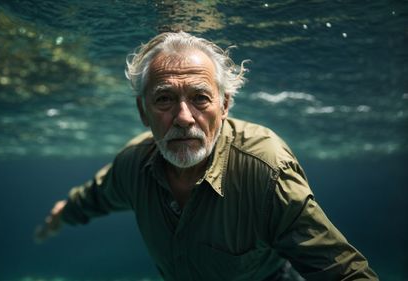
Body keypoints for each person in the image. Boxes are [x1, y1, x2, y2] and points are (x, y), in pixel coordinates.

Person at [35, 31, 379, 281]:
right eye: (164, 99)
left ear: (225, 105)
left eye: (200, 98)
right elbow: (96, 196)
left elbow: (342, 272)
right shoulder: (133, 164)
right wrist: (62, 215)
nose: (184, 117)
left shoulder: (265, 171)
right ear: (143, 112)